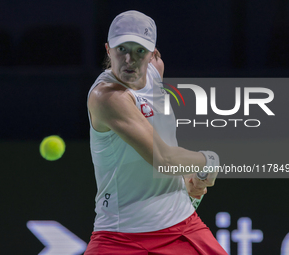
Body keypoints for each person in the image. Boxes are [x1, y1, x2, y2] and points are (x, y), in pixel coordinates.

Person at [85, 10, 227, 255]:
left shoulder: (154, 71)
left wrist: (187, 180)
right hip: (121, 237)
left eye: (140, 50)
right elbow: (163, 159)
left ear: (153, 54)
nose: (130, 59)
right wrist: (207, 160)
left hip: (181, 226)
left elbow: (163, 136)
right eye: (122, 49)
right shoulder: (106, 97)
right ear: (108, 50)